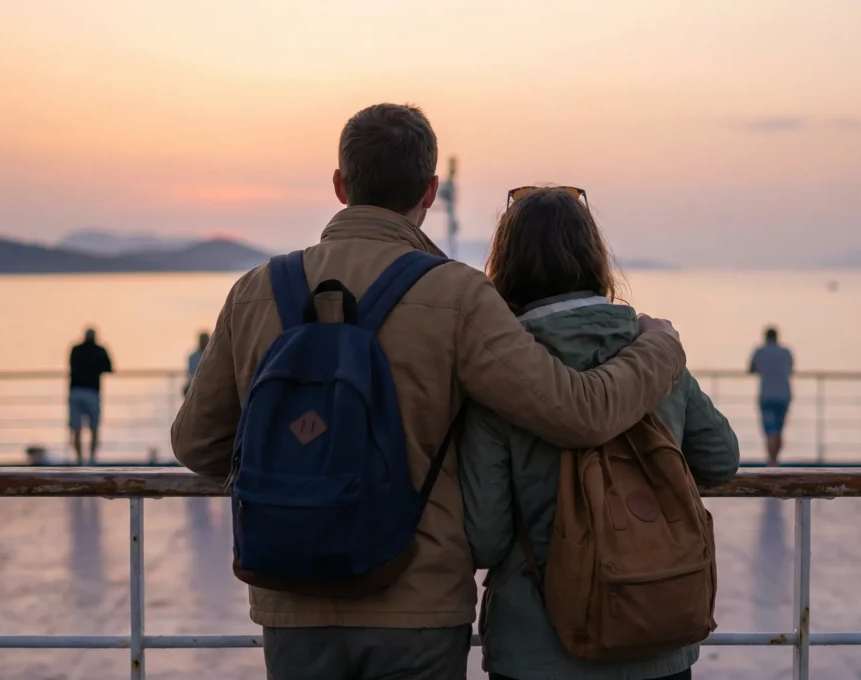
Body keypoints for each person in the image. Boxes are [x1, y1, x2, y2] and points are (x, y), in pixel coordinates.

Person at [172, 103, 688, 680]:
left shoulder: (255, 291)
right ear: (431, 190)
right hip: (415, 606)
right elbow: (578, 412)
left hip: (291, 599)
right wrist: (661, 349)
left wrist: (300, 468)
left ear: (341, 185)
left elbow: (197, 445)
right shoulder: (458, 296)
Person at [459, 186, 740, 680]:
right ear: (594, 258)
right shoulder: (653, 350)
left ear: (507, 265)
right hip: (657, 637)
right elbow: (720, 458)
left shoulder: (503, 371)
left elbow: (484, 536)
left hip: (537, 650)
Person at [749, 326, 794, 466]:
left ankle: (771, 461)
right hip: (784, 395)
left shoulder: (760, 351)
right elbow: (791, 369)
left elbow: (751, 369)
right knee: (779, 430)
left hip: (767, 395)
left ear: (765, 337)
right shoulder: (786, 352)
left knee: (770, 431)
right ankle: (775, 460)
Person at [69, 328, 113, 465]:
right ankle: (92, 459)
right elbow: (110, 368)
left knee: (76, 428)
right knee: (94, 427)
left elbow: (71, 366)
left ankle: (79, 459)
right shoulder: (100, 350)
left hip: (76, 390)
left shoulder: (76, 350)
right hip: (92, 391)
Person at [183, 331, 209, 396]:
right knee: (187, 389)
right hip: (196, 382)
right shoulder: (193, 357)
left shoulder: (213, 355)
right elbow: (191, 373)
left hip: (209, 381)